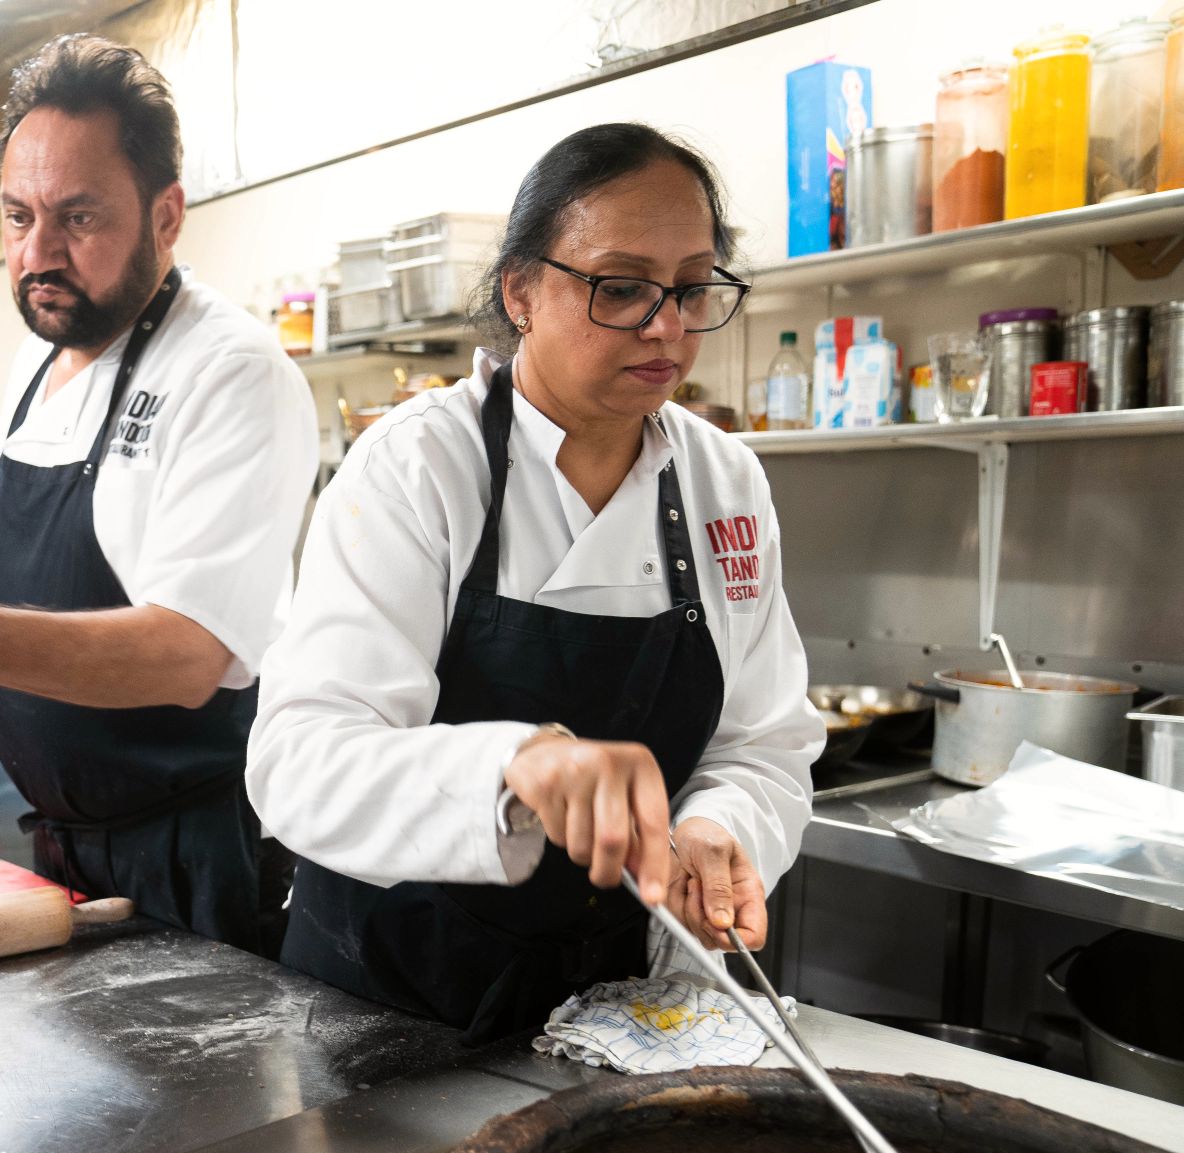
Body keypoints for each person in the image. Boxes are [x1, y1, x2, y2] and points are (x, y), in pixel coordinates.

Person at [246, 123, 824, 1044]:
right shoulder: (417, 466)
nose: (667, 327)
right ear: (520, 290)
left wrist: (721, 825)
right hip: (389, 1006)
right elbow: (300, 761)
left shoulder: (724, 481)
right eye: (621, 287)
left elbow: (762, 741)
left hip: (612, 1011)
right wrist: (511, 766)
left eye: (690, 288)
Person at [0, 35, 317, 954]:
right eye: (17, 216)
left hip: (199, 855)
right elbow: (71, 588)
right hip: (60, 851)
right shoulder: (35, 364)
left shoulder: (230, 369)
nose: (37, 253)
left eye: (78, 217)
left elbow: (186, 651)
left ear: (166, 215)